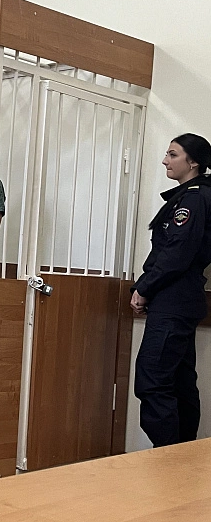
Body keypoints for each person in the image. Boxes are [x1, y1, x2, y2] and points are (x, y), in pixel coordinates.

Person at [131, 133, 211, 447]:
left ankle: (167, 458)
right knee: (178, 382)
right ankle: (183, 457)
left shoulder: (192, 199)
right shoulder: (193, 196)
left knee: (152, 380)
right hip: (181, 300)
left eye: (173, 154)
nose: (165, 160)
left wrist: (144, 288)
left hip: (173, 301)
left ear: (193, 162)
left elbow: (177, 253)